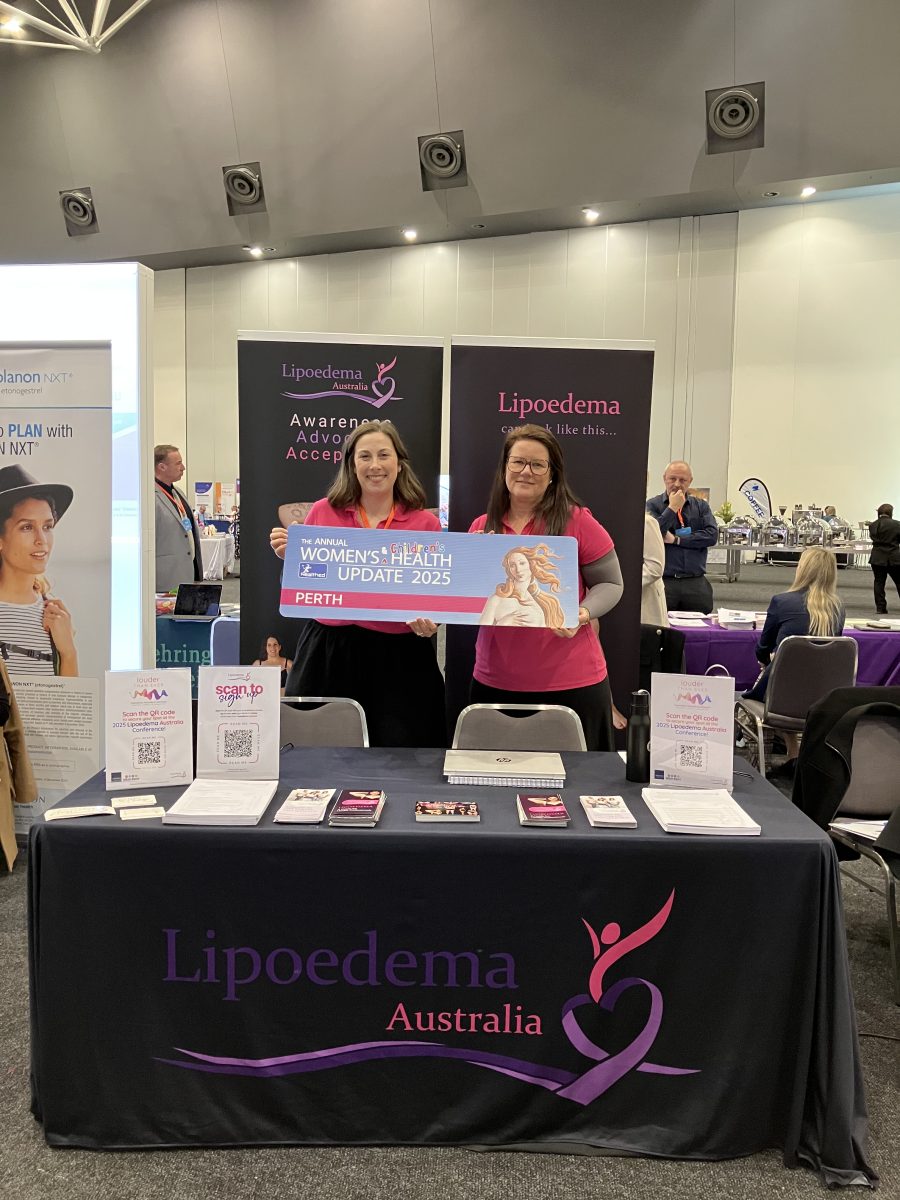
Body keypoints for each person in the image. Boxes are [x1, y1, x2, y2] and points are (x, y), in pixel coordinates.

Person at [270, 420, 445, 747]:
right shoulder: (323, 512)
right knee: (322, 750)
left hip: (400, 657)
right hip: (329, 653)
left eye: (384, 455)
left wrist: (432, 621)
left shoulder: (425, 523)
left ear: (399, 463)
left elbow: (435, 597)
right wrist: (290, 562)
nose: (375, 465)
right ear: (351, 464)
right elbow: (303, 589)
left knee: (403, 754)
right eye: (365, 456)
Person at [468, 424, 623, 751]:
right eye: (518, 462)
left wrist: (581, 613)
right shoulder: (482, 528)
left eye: (538, 465)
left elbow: (611, 583)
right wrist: (473, 564)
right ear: (504, 468)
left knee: (578, 779)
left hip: (571, 682)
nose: (526, 471)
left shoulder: (577, 521)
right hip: (495, 680)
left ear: (552, 475)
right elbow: (469, 603)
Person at [743, 546, 845, 774]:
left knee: (783, 678)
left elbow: (762, 649)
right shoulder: (838, 608)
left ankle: (779, 755)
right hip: (823, 694)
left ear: (802, 569)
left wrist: (770, 659)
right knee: (798, 678)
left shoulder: (782, 602)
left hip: (783, 696)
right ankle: (794, 752)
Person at [0, 464, 78, 676]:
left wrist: (68, 652)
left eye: (47, 526)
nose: (41, 540)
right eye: (26, 527)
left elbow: (68, 697)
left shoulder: (53, 613)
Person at [646, 461, 719, 614]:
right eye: (672, 479)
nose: (677, 484)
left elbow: (711, 536)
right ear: (664, 478)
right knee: (662, 626)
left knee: (701, 626)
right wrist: (672, 508)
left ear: (690, 481)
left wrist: (677, 540)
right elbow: (653, 534)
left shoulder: (701, 506)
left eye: (683, 480)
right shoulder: (652, 505)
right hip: (665, 582)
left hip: (695, 582)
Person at [479, 544, 566, 628]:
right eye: (512, 565)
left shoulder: (539, 604)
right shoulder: (496, 599)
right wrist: (504, 622)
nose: (518, 570)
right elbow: (483, 629)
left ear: (531, 565)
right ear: (509, 570)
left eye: (522, 563)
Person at [154, 444, 202, 592]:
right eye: (178, 463)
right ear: (162, 467)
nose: (183, 468)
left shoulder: (178, 493)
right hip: (165, 578)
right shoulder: (150, 497)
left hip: (187, 572)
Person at [868, 503, 900, 614]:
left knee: (879, 583)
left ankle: (880, 608)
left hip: (877, 557)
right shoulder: (897, 524)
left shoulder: (872, 525)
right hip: (894, 557)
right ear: (891, 512)